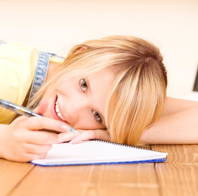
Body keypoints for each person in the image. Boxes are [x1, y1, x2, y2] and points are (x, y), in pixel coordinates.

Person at [0, 36, 197, 162]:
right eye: (83, 85)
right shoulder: (9, 77)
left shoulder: (111, 91)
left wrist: (117, 134)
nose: (73, 109)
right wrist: (4, 140)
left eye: (97, 116)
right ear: (78, 55)